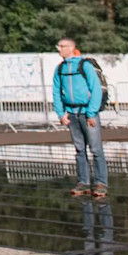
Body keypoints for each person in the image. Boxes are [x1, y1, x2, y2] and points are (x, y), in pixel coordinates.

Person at [52, 36, 108, 198]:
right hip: (72, 114)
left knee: (96, 149)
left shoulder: (85, 66)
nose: (59, 49)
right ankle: (83, 182)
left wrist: (91, 113)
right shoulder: (60, 68)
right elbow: (56, 92)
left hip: (87, 114)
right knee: (79, 150)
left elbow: (95, 90)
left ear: (70, 48)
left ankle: (101, 183)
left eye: (61, 46)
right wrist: (61, 114)